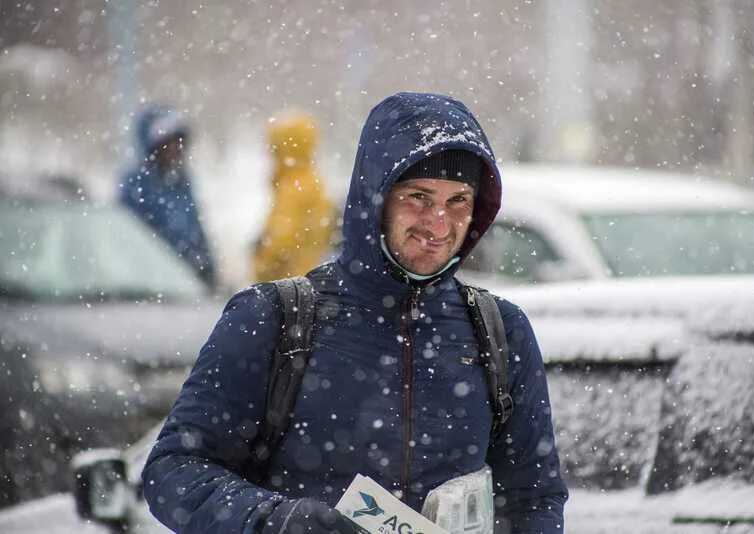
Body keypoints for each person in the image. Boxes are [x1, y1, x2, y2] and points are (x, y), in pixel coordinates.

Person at [142, 92, 568, 533]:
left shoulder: (498, 331)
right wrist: (276, 521)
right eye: (418, 197)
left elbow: (533, 497)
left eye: (458, 200)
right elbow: (173, 471)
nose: (439, 224)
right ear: (375, 198)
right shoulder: (274, 319)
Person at [119, 104, 217, 289]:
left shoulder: (183, 181)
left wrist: (208, 270)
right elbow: (129, 238)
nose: (174, 149)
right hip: (150, 285)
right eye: (168, 143)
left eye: (179, 142)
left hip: (189, 282)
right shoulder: (137, 184)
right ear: (153, 146)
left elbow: (196, 229)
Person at [252, 113, 336, 282]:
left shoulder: (292, 188)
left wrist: (260, 268)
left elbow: (280, 242)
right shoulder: (314, 181)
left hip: (288, 288)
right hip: (310, 281)